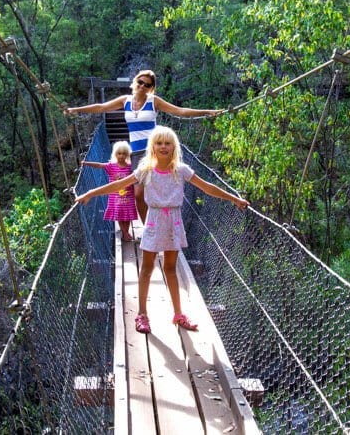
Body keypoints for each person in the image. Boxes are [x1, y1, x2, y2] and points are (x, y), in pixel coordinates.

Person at [76, 126, 249, 334]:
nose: (163, 147)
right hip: (154, 220)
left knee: (170, 268)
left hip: (174, 222)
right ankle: (142, 314)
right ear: (153, 146)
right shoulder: (146, 170)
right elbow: (118, 184)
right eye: (159, 143)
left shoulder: (181, 169)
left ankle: (178, 314)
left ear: (174, 146)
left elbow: (207, 187)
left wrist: (234, 199)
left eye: (167, 143)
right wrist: (91, 193)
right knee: (147, 268)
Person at [66, 70, 222, 223]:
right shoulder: (125, 101)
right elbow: (101, 107)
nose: (142, 86)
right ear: (135, 82)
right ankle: (148, 227)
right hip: (135, 153)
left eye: (147, 85)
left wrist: (207, 112)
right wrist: (76, 110)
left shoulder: (153, 101)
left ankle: (166, 225)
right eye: (140, 82)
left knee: (158, 190)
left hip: (153, 152)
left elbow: (179, 111)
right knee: (138, 194)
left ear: (151, 88)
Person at [81, 141, 137, 242]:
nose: (121, 156)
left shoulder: (130, 167)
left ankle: (126, 232)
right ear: (115, 154)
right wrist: (86, 163)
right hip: (115, 197)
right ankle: (125, 233)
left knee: (127, 215)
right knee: (119, 215)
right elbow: (99, 165)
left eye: (124, 153)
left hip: (128, 196)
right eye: (119, 153)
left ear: (127, 154)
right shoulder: (111, 166)